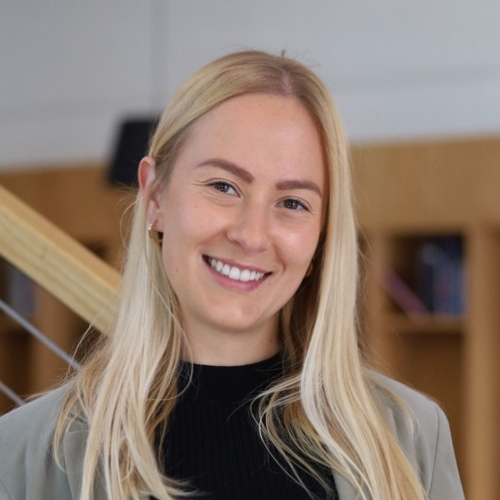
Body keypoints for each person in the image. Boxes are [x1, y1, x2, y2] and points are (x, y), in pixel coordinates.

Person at [0, 50, 464, 500]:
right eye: (223, 186)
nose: (251, 235)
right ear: (155, 196)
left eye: (293, 203)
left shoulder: (412, 437)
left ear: (322, 236)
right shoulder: (21, 455)